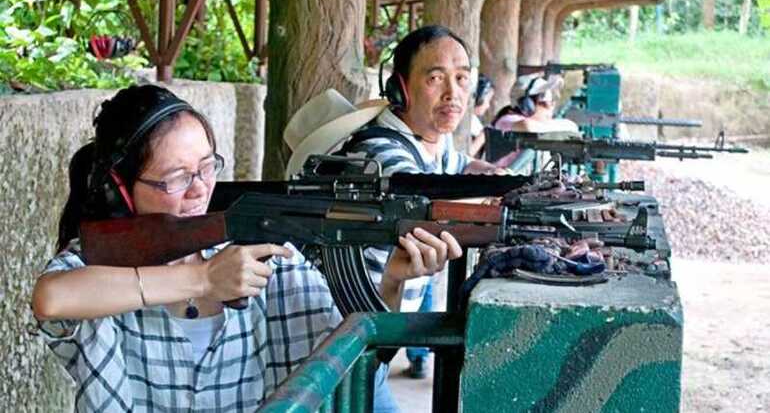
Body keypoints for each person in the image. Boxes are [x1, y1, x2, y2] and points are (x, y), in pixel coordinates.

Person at [31, 85, 460, 412]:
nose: (200, 188)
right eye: (176, 177)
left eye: (207, 165)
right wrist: (202, 278)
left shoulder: (262, 254)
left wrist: (393, 280)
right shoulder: (105, 261)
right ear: (121, 189)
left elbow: (349, 361)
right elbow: (52, 297)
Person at [329, 25, 504, 379]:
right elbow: (425, 198)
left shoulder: (428, 141)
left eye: (461, 78)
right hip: (332, 347)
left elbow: (460, 166)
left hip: (372, 333)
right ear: (401, 88)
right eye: (436, 78)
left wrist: (501, 178)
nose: (453, 93)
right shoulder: (380, 152)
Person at [491, 75, 579, 174]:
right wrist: (569, 125)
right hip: (502, 181)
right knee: (535, 145)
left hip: (524, 181)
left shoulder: (539, 128)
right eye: (545, 103)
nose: (550, 108)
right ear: (527, 105)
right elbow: (528, 126)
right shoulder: (507, 120)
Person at [468, 73, 495, 158]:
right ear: (479, 99)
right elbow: (466, 154)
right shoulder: (463, 121)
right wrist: (483, 135)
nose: (488, 106)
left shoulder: (474, 120)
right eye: (487, 101)